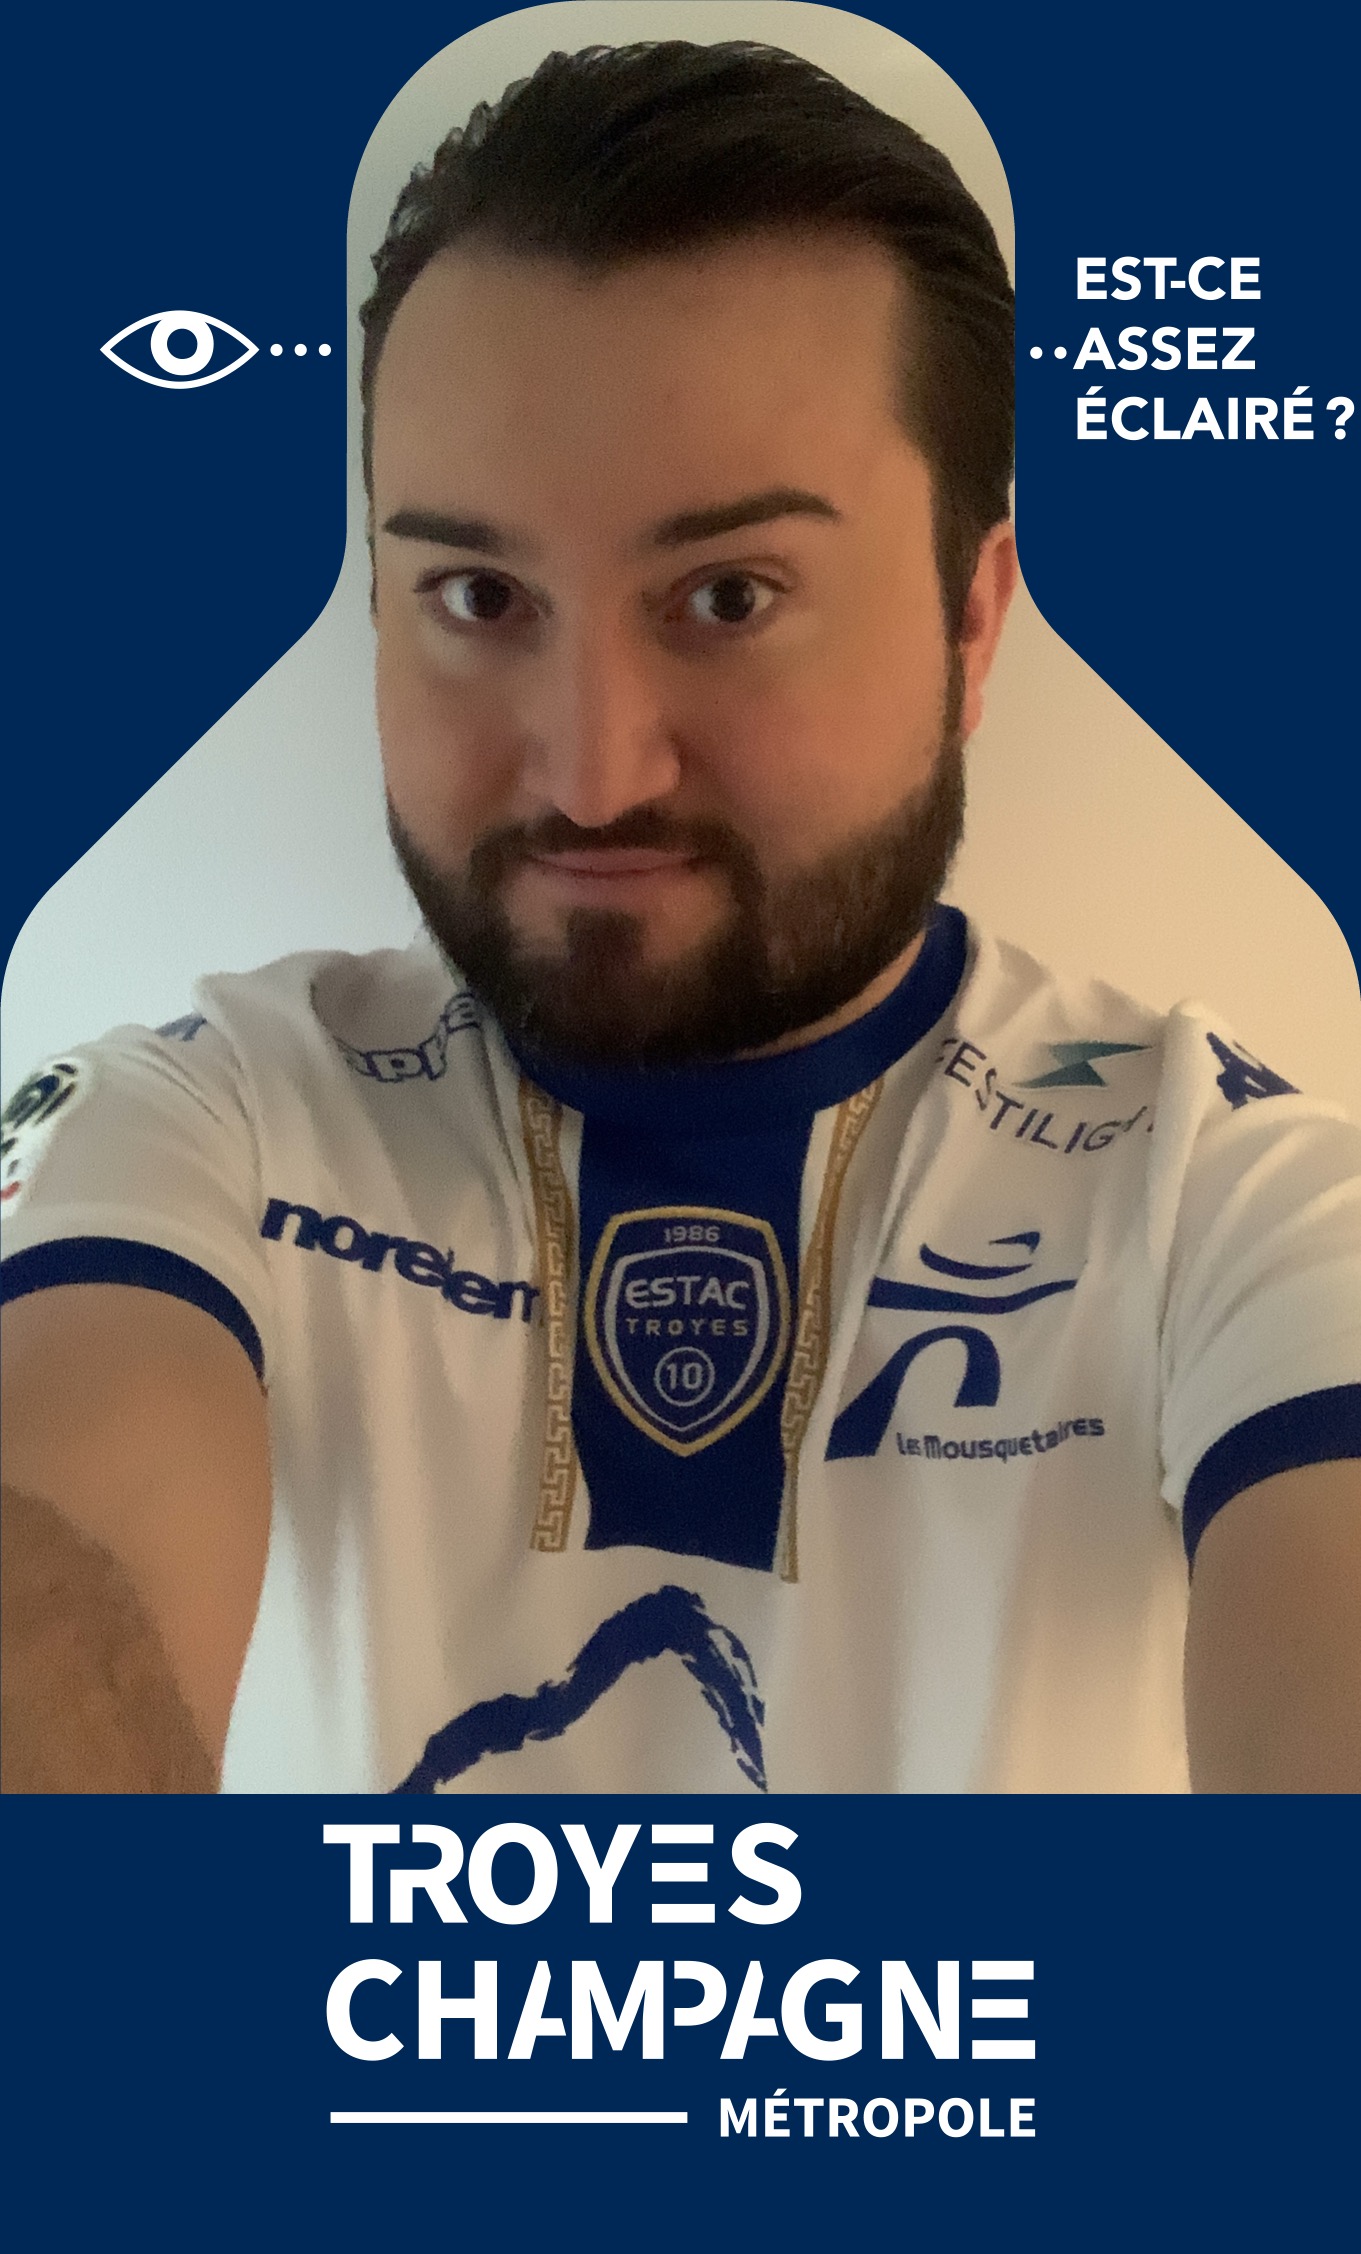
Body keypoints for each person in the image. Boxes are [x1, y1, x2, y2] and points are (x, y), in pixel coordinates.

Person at [2, 41, 1358, 1795]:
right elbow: (51, 1564)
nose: (590, 773)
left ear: (970, 622)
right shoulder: (200, 1120)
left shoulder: (1222, 1199)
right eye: (477, 594)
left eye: (727, 595)